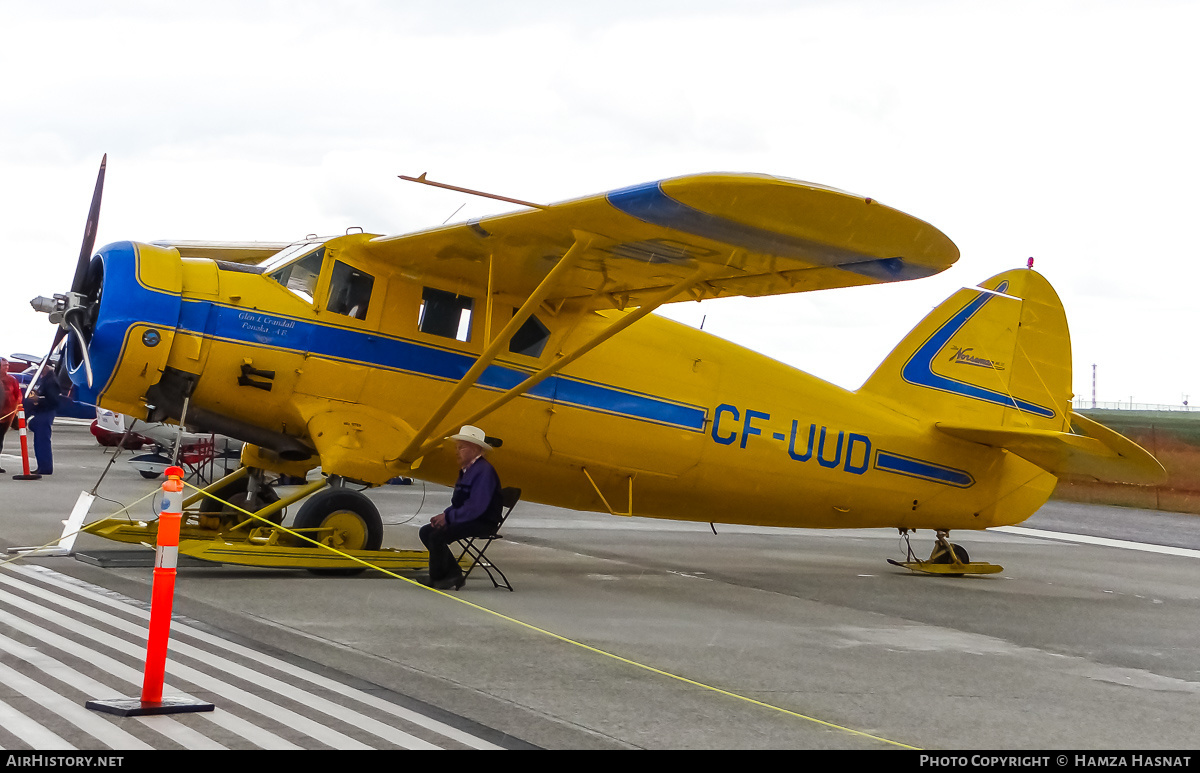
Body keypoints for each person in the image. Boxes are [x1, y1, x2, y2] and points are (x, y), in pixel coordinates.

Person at [418, 425, 503, 590]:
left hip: (482, 521)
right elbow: (460, 503)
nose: (457, 451)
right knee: (426, 531)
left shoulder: (483, 471)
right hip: (470, 517)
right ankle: (450, 573)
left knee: (437, 536)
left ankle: (442, 576)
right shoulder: (468, 470)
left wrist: (448, 518)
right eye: (457, 447)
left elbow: (476, 506)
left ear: (476, 449)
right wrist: (445, 515)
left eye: (462, 447)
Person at [25, 371, 60, 476]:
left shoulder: (51, 381)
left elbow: (54, 400)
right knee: (39, 441)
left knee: (42, 441)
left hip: (46, 412)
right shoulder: (43, 380)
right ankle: (42, 466)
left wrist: (38, 400)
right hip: (40, 412)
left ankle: (45, 467)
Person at [0, 358, 22, 474]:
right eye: (4, 365)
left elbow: (18, 395)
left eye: (7, 365)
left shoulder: (12, 380)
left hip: (7, 416)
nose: (6, 367)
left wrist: (17, 409)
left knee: (0, 440)